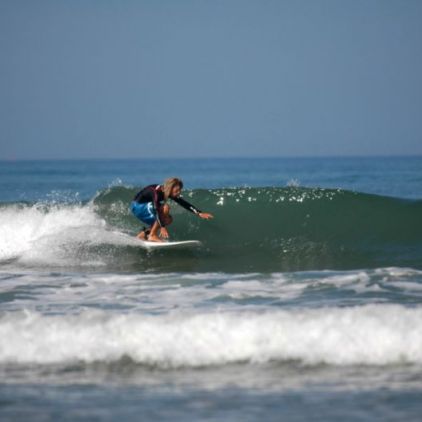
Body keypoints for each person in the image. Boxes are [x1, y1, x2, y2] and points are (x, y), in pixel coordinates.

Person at [130, 177, 213, 242]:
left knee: (168, 219)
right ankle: (152, 235)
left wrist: (199, 213)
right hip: (138, 206)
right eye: (177, 190)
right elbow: (156, 208)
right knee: (165, 208)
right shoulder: (156, 192)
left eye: (180, 190)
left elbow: (183, 203)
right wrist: (162, 226)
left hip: (146, 208)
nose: (179, 192)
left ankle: (143, 234)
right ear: (170, 188)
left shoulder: (168, 192)